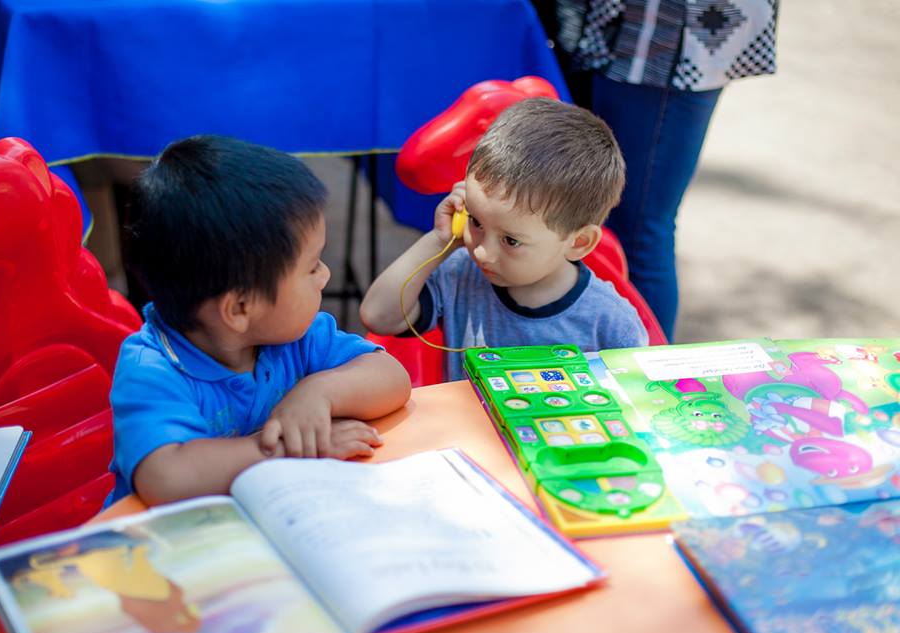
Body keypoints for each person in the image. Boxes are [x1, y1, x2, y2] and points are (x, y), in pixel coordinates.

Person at [108, 135, 411, 506]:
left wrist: (318, 394)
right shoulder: (152, 369)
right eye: (311, 266)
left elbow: (393, 377)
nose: (326, 275)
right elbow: (167, 476)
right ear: (239, 309)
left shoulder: (296, 336)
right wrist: (285, 447)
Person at [533, 0, 779, 339]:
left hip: (664, 37)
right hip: (625, 31)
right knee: (610, 220)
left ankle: (651, 378)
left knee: (637, 231)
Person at [360, 98, 647, 382]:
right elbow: (378, 316)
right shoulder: (460, 274)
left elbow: (635, 405)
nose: (483, 253)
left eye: (511, 240)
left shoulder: (610, 322)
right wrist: (438, 239)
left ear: (579, 242)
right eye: (475, 221)